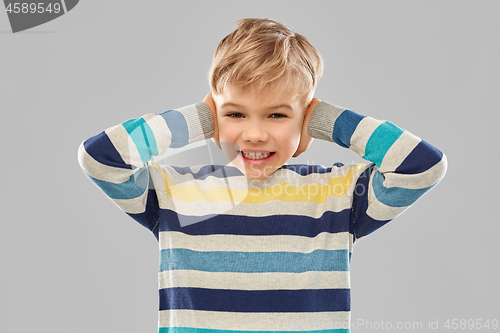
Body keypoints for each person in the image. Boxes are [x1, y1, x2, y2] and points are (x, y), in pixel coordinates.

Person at [78, 18, 447, 333]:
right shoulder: (175, 191)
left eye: (277, 115)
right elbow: (102, 157)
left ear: (304, 122)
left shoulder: (338, 193)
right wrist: (202, 118)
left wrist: (321, 119)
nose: (254, 133)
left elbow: (420, 166)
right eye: (236, 114)